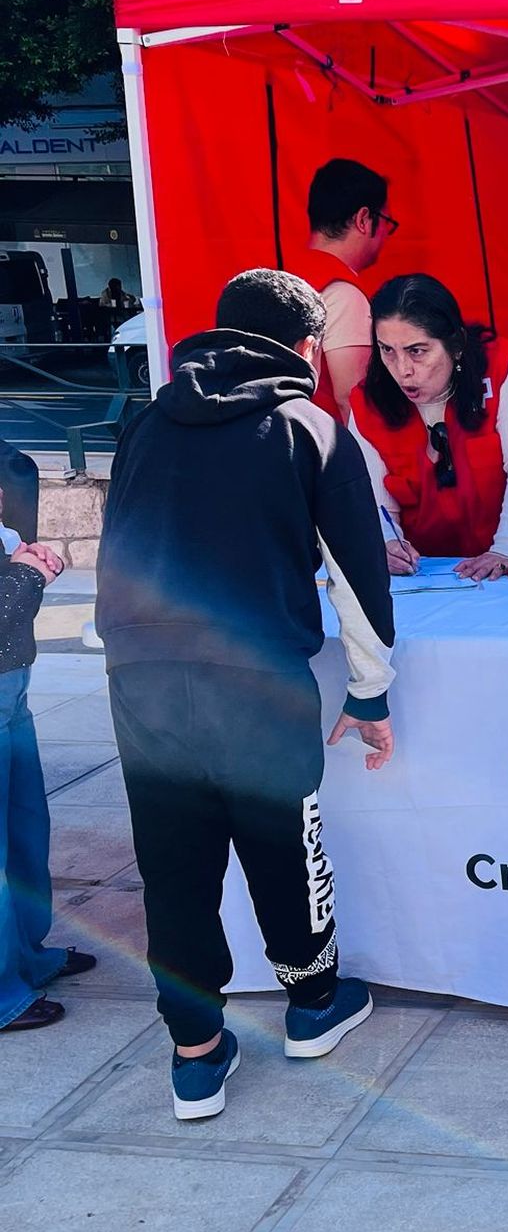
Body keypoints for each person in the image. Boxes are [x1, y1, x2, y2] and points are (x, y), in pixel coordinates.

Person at [97, 270, 395, 1122]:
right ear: (304, 347)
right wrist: (370, 694)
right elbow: (357, 573)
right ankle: (312, 1005)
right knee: (282, 840)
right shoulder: (308, 426)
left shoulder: (147, 422)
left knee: (173, 864)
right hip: (257, 675)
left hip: (142, 674)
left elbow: (118, 544)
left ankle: (195, 1053)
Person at [349, 274, 508, 580]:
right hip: (428, 579)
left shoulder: (499, 367)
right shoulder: (367, 404)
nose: (403, 370)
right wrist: (388, 545)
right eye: (387, 350)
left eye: (417, 351)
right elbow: (374, 501)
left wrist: (507, 548)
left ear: (455, 345)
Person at [0, 521, 94, 1035]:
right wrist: (24, 576)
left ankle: (24, 954)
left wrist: (20, 561)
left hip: (11, 686)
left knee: (24, 831)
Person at [300, 159, 399, 419]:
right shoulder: (343, 293)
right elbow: (351, 403)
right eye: (387, 222)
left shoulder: (285, 277)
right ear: (364, 219)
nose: (387, 235)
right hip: (326, 448)